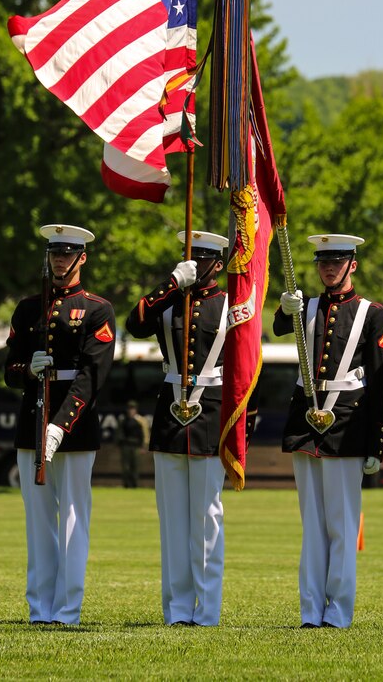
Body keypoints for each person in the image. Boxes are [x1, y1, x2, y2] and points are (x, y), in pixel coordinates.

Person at [274, 234, 383, 629]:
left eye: (337, 261)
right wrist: (283, 306)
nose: (328, 268)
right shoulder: (304, 306)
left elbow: (379, 382)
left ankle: (338, 612)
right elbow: (276, 327)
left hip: (348, 424)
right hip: (306, 421)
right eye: (323, 261)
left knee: (342, 525)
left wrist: (377, 441)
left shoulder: (371, 313)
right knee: (312, 525)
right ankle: (310, 611)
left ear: (352, 265)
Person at [4, 223, 116, 626]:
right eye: (55, 253)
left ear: (81, 258)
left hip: (75, 424)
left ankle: (67, 610)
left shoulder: (97, 309)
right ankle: (40, 609)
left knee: (72, 519)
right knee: (38, 523)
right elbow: (9, 370)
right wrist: (27, 371)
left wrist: (60, 425)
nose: (60, 260)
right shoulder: (27, 307)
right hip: (31, 419)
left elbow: (92, 374)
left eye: (68, 254)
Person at [125, 230, 229, 627]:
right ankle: (177, 610)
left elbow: (245, 373)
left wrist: (241, 432)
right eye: (190, 259)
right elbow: (134, 324)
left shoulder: (229, 304)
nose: (196, 266)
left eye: (202, 261)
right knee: (172, 521)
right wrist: (171, 283)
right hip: (170, 413)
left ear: (217, 264)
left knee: (207, 518)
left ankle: (206, 611)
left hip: (212, 412)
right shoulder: (168, 300)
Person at [116, 400, 149, 488]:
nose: (131, 411)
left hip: (136, 446)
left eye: (132, 409)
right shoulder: (123, 420)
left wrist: (144, 446)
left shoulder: (141, 420)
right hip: (126, 446)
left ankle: (134, 485)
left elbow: (145, 434)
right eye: (129, 409)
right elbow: (119, 433)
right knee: (126, 467)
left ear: (136, 410)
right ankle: (126, 485)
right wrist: (119, 443)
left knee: (135, 466)